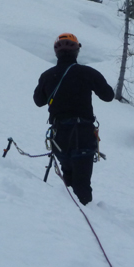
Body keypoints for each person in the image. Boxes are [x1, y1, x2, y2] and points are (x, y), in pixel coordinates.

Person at [33, 32, 114, 205]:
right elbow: (108, 96)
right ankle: (86, 216)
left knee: (68, 179)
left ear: (56, 53)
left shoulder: (47, 75)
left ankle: (71, 219)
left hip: (59, 134)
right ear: (77, 51)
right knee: (82, 182)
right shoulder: (88, 73)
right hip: (83, 133)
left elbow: (38, 101)